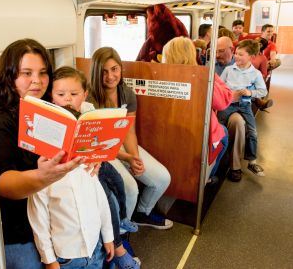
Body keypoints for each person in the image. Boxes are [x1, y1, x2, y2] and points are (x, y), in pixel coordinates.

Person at [0, 39, 90, 269]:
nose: (37, 80)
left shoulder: (39, 108)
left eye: (43, 72)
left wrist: (88, 158)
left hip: (37, 204)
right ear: (9, 75)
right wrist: (44, 176)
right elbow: (2, 184)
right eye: (27, 73)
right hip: (3, 221)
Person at [28, 66, 115, 269]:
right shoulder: (45, 172)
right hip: (67, 256)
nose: (67, 98)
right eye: (61, 94)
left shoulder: (88, 162)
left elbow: (100, 200)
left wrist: (108, 236)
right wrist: (49, 259)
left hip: (95, 246)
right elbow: (39, 217)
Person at [89, 47, 173, 229]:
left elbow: (129, 131)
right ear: (96, 73)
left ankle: (141, 213)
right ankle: (121, 231)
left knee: (162, 179)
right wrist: (127, 157)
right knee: (130, 189)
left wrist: (134, 157)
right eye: (104, 71)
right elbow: (98, 142)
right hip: (101, 151)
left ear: (120, 69)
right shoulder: (90, 99)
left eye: (114, 69)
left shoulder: (127, 93)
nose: (110, 76)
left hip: (122, 146)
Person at [162, 37, 232, 183]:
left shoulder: (159, 74)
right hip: (195, 131)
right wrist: (211, 74)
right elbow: (223, 101)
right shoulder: (202, 76)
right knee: (224, 133)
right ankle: (208, 176)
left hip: (168, 128)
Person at [218, 39, 267, 177]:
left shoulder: (255, 74)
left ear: (251, 57)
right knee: (218, 127)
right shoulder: (228, 70)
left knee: (252, 132)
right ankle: (221, 157)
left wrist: (250, 93)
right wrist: (228, 93)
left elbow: (263, 91)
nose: (236, 57)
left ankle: (252, 161)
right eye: (236, 53)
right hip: (228, 104)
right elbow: (220, 86)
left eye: (241, 55)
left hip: (245, 105)